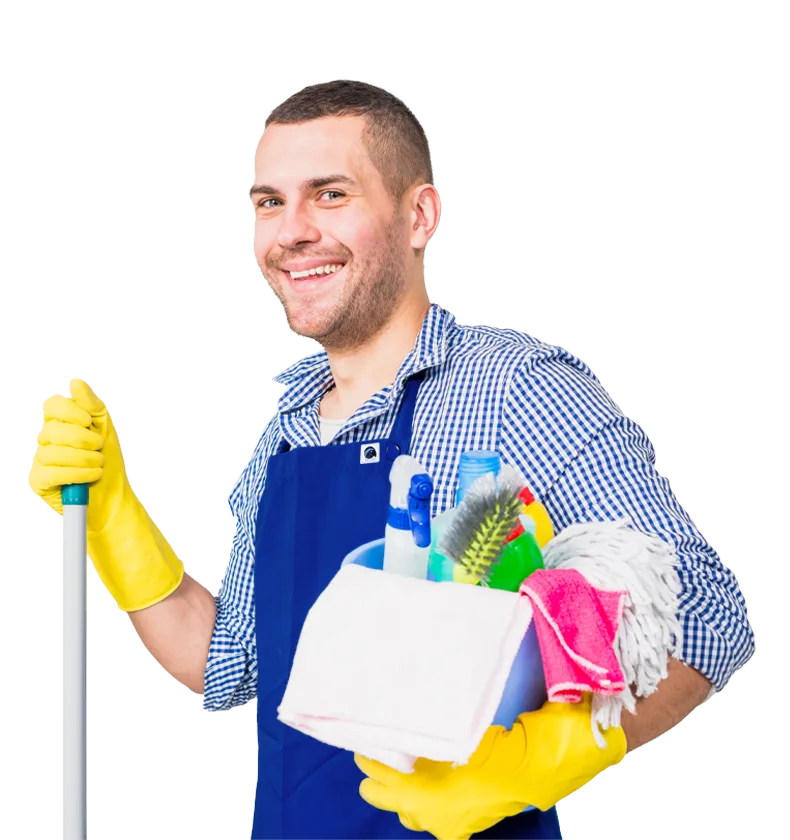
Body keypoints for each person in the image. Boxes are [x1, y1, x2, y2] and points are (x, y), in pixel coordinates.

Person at [29, 78, 755, 840]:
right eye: (269, 202)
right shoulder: (285, 433)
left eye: (330, 193)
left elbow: (709, 614)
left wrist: (537, 762)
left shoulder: (513, 388)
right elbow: (231, 661)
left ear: (419, 215)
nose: (291, 231)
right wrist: (114, 516)